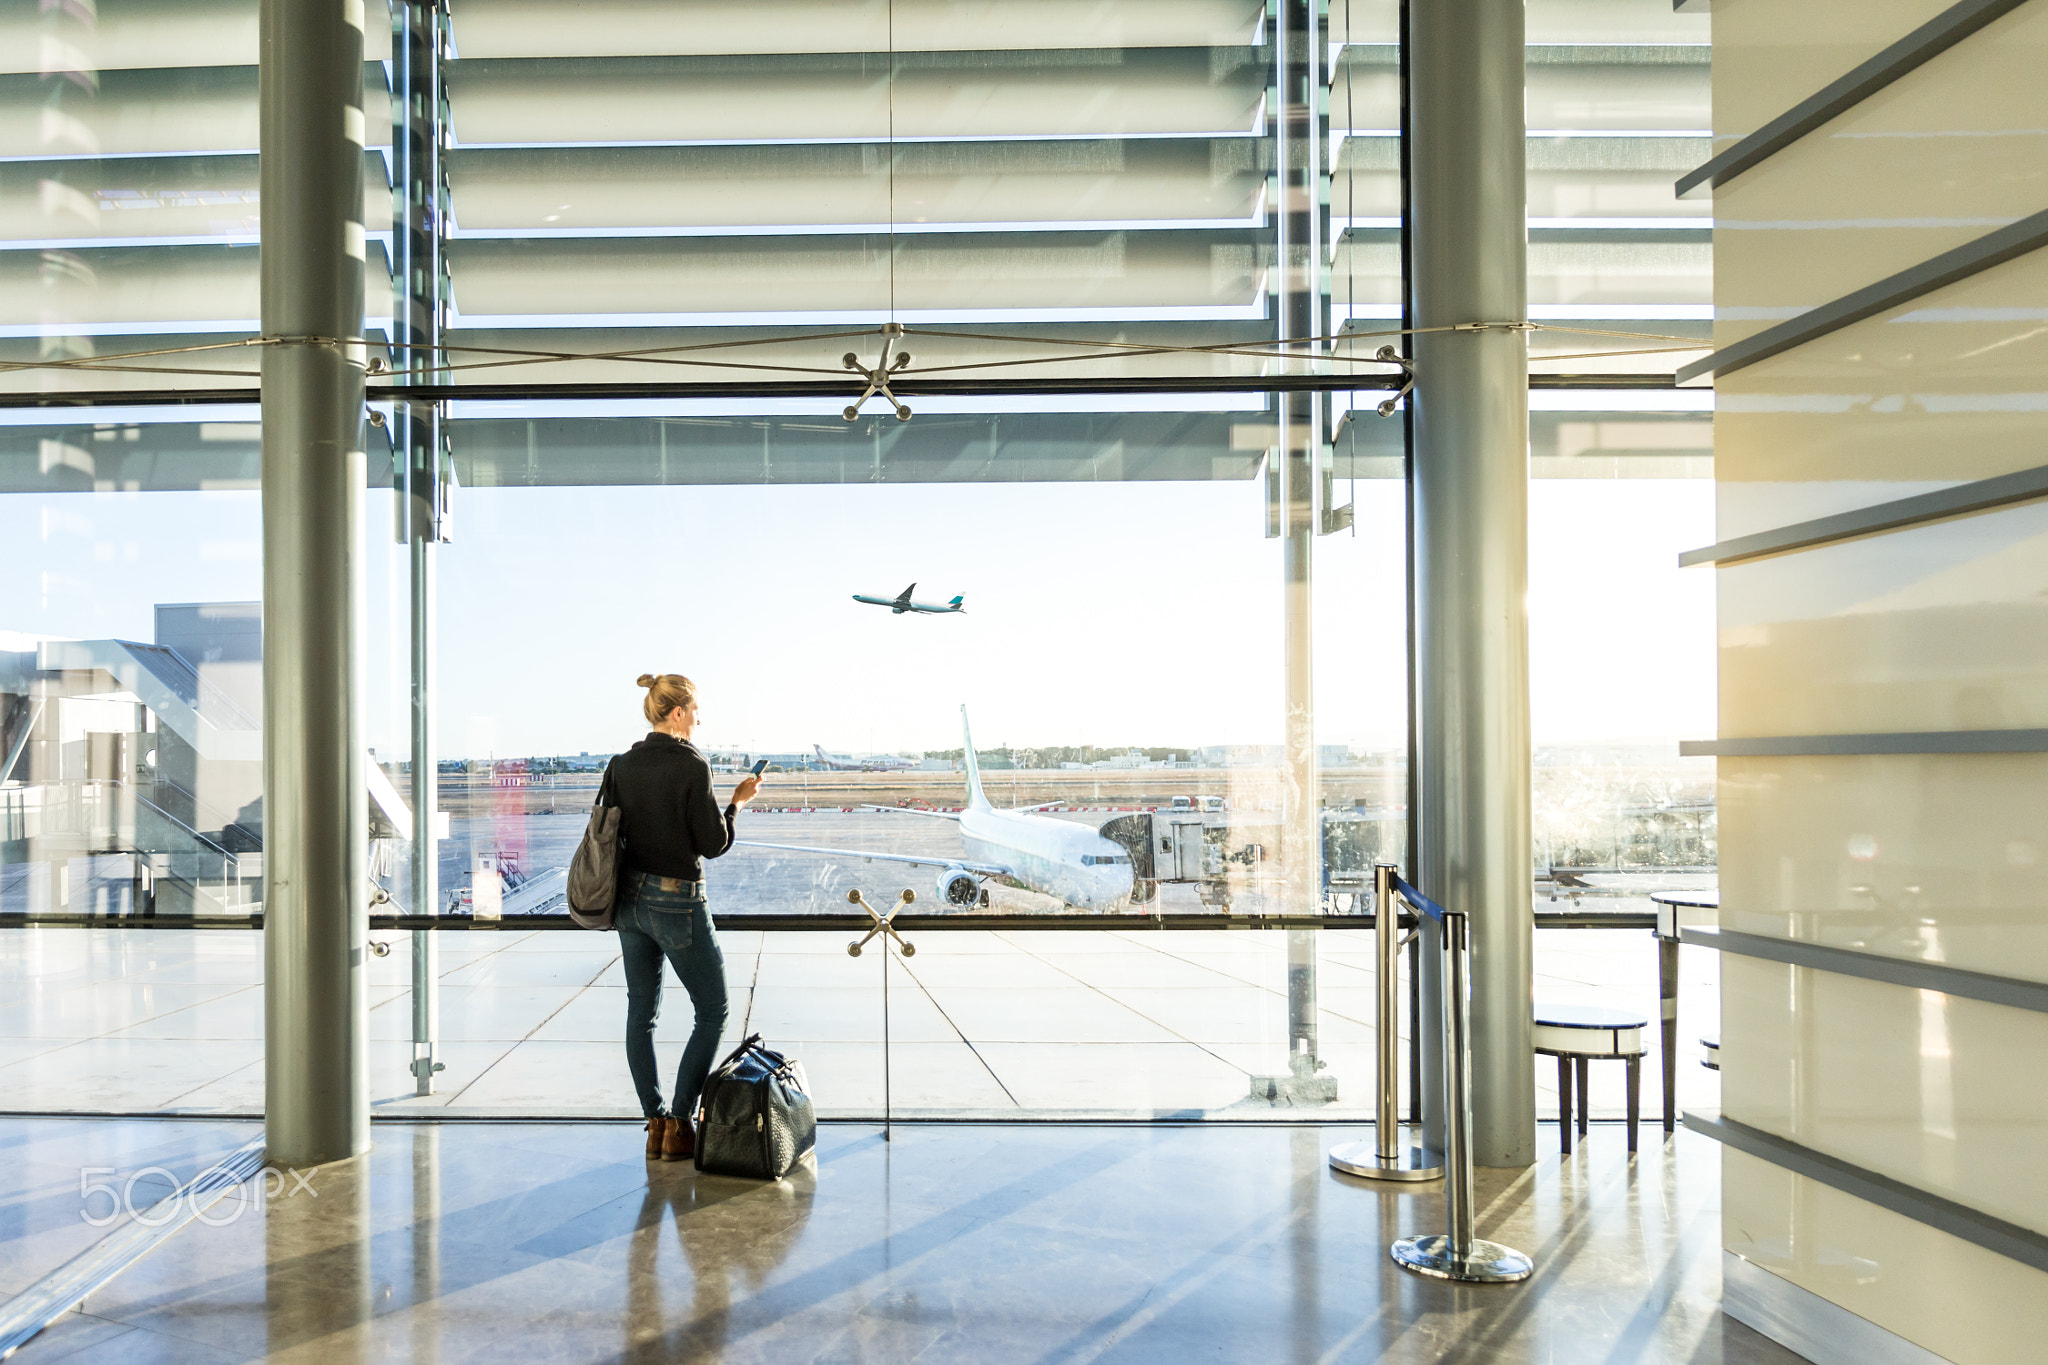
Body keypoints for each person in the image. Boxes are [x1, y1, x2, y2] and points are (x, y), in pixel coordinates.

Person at [609, 672, 761, 1161]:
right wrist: (736, 805)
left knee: (641, 1014)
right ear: (677, 712)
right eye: (696, 710)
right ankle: (679, 1122)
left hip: (629, 902)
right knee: (713, 1010)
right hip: (676, 901)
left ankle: (654, 1124)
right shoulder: (692, 765)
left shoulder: (621, 765)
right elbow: (713, 844)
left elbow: (607, 832)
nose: (699, 718)